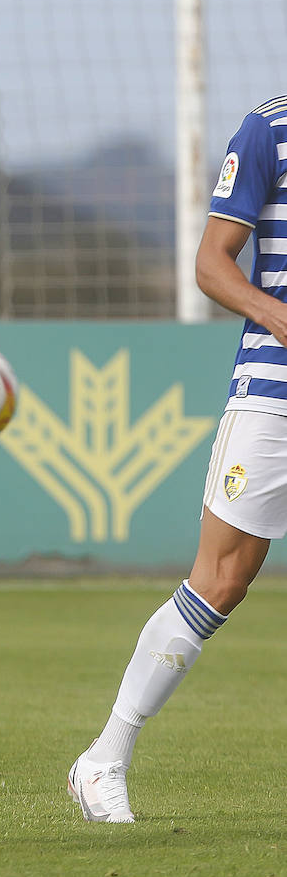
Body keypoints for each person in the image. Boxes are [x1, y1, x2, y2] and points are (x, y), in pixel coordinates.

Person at [67, 94, 287, 823]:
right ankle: (105, 758)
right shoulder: (270, 128)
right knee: (221, 581)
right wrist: (273, 312)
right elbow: (211, 263)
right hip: (274, 391)